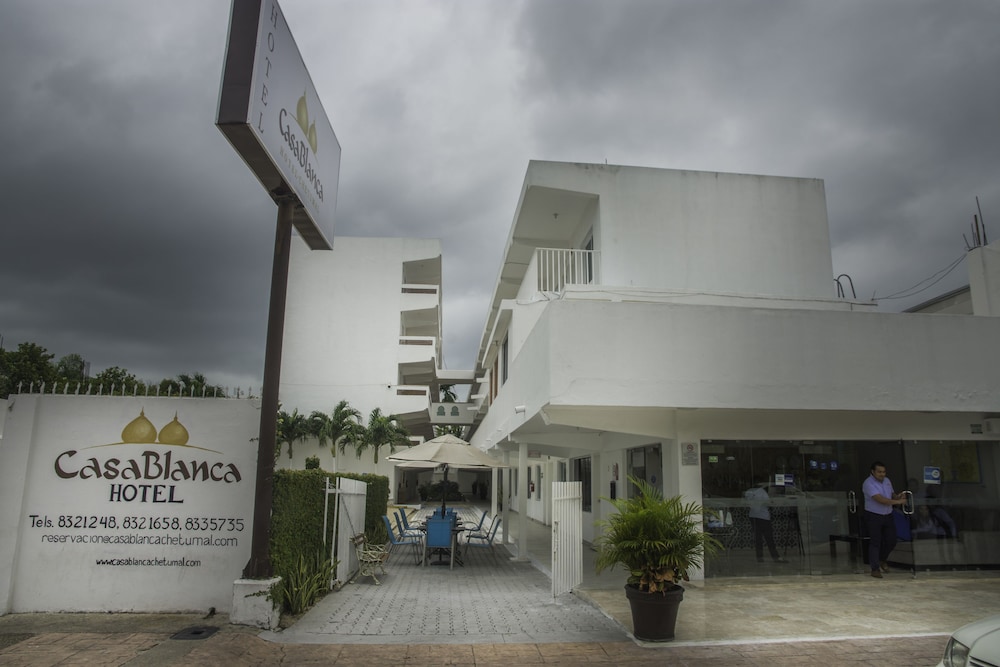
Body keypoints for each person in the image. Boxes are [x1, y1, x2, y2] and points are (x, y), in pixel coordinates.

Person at [862, 461, 908, 578]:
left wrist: (898, 496)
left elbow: (891, 495)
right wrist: (898, 502)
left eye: (883, 472)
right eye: (879, 472)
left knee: (892, 540)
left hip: (888, 515)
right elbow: (880, 500)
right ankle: (875, 569)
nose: (882, 474)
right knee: (875, 542)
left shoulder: (887, 481)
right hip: (874, 515)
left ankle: (882, 559)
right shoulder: (868, 483)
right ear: (873, 472)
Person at [744, 481, 788, 564]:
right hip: (763, 517)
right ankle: (775, 557)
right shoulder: (762, 492)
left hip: (753, 516)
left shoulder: (749, 491)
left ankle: (760, 557)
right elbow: (768, 503)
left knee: (758, 538)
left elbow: (747, 503)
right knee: (769, 538)